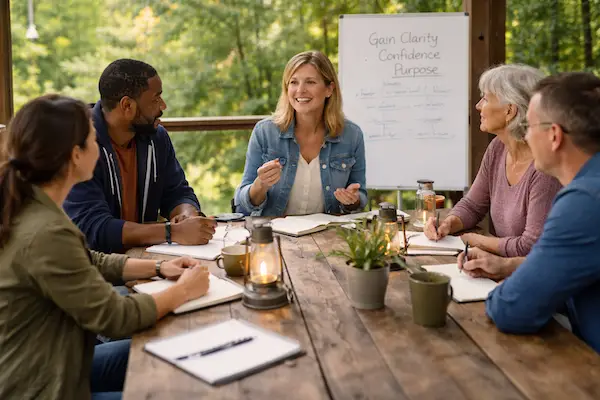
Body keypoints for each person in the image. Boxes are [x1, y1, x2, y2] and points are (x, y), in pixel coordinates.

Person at [0, 95, 211, 399]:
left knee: (180, 348)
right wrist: (184, 291)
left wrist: (158, 267)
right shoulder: (45, 229)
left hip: (61, 364)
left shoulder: (31, 204)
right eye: (92, 138)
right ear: (75, 155)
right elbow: (115, 316)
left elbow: (88, 260)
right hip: (43, 385)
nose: (99, 146)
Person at [458, 72, 600, 353]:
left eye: (531, 127)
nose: (525, 134)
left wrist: (504, 286)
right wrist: (508, 266)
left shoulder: (583, 202)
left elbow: (513, 310)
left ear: (554, 136)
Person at [64, 59, 216, 254]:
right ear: (127, 105)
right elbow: (95, 229)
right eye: (156, 99)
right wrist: (171, 232)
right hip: (99, 272)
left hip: (146, 262)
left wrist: (186, 214)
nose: (163, 105)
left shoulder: (157, 137)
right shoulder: (80, 146)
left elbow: (177, 192)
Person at [425, 64, 562, 257]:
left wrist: (475, 240)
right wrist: (448, 223)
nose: (478, 105)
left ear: (510, 110)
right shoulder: (497, 147)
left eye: (486, 98)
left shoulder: (544, 168)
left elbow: (530, 247)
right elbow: (473, 205)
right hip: (498, 267)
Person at [234, 50, 367, 216]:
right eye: (294, 82)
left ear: (329, 89)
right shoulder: (265, 132)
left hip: (328, 235)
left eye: (310, 82)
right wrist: (260, 185)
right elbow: (242, 205)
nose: (300, 90)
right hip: (275, 234)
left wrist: (352, 201)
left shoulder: (352, 136)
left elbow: (360, 197)